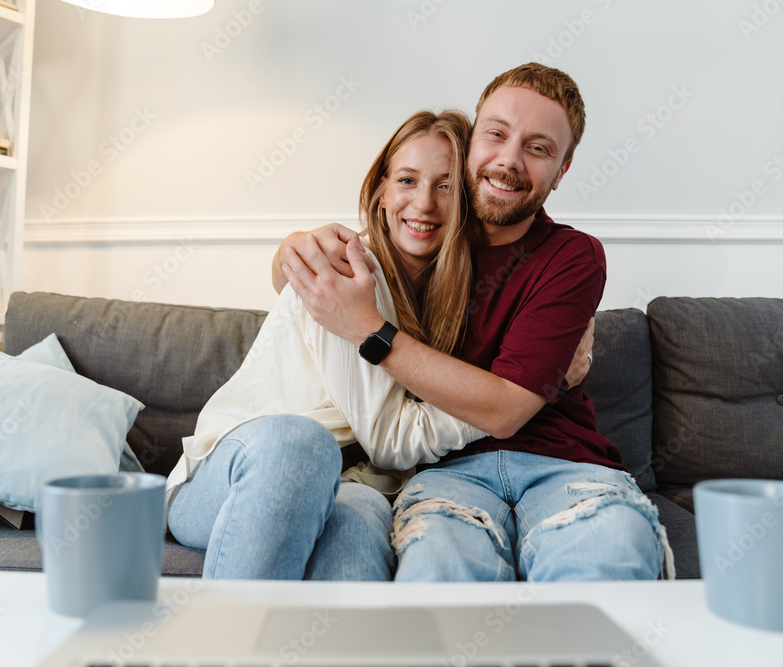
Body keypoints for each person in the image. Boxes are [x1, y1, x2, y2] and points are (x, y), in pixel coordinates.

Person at [277, 63, 673, 582]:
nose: (509, 161)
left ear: (562, 169)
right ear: (470, 143)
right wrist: (290, 249)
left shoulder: (571, 256)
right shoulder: (426, 238)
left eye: (538, 148)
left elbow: (506, 411)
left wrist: (372, 331)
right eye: (496, 134)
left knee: (609, 553)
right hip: (447, 475)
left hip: (566, 467)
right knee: (438, 573)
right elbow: (325, 272)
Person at [165, 110, 592, 580]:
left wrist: (534, 372)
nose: (424, 204)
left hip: (356, 483)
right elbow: (392, 441)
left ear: (468, 201)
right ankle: (231, 647)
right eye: (407, 180)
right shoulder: (343, 272)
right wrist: (518, 396)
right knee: (303, 443)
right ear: (381, 191)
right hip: (238, 475)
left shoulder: (460, 293)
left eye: (446, 186)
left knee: (360, 525)